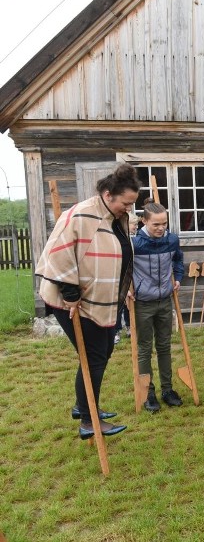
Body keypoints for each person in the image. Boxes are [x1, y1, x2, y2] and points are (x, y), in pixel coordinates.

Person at [35, 163, 141, 440]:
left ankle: (84, 405)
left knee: (102, 351)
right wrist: (71, 296)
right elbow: (57, 255)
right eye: (126, 203)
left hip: (102, 300)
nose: (129, 209)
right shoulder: (83, 215)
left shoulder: (111, 217)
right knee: (93, 355)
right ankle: (87, 419)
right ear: (108, 194)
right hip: (75, 302)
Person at [130, 200, 185, 412]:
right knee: (145, 348)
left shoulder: (172, 240)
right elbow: (122, 268)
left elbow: (178, 261)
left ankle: (167, 390)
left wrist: (178, 277)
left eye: (164, 223)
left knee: (164, 346)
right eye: (156, 225)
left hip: (165, 300)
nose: (161, 228)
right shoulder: (134, 244)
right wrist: (127, 287)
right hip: (142, 302)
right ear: (144, 221)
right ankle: (148, 392)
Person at [114, 216, 138, 344]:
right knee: (119, 306)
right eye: (133, 224)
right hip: (119, 278)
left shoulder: (133, 240)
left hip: (131, 277)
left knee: (129, 304)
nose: (136, 227)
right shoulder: (118, 240)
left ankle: (130, 327)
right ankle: (116, 331)